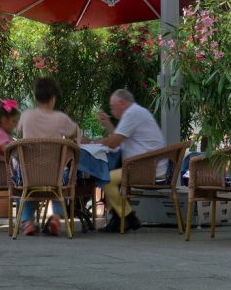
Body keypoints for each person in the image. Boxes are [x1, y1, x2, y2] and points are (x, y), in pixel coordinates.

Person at [89, 88, 166, 232]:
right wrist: (106, 123)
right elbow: (118, 139)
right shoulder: (135, 112)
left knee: (106, 179)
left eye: (113, 107)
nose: (112, 111)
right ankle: (118, 220)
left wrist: (92, 143)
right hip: (144, 165)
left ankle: (130, 218)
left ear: (122, 103)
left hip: (146, 169)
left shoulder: (132, 113)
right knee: (110, 171)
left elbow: (114, 142)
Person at [13, 77, 81, 236]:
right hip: (55, 176)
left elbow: (18, 133)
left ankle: (28, 221)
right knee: (62, 180)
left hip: (29, 175)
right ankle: (56, 217)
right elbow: (76, 132)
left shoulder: (26, 116)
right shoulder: (61, 118)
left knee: (25, 185)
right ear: (53, 98)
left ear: (36, 98)